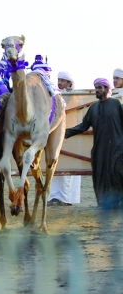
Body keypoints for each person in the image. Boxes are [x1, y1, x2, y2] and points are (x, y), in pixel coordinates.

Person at [64, 78, 123, 209]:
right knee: (100, 176)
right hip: (100, 149)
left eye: (100, 87)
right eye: (96, 87)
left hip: (117, 148)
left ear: (108, 89)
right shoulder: (93, 108)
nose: (97, 90)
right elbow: (83, 126)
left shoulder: (117, 105)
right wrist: (64, 133)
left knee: (117, 174)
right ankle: (104, 203)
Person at [48, 71, 80, 205]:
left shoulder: (76, 96)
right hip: (56, 135)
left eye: (63, 80)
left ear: (69, 83)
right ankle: (54, 197)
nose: (60, 83)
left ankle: (66, 199)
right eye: (59, 80)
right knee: (54, 166)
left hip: (70, 136)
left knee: (70, 169)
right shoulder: (53, 95)